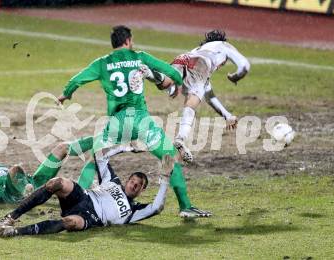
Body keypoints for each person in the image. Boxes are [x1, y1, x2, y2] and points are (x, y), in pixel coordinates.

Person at [47, 25, 211, 218]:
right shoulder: (139, 57)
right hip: (141, 120)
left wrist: (65, 95)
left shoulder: (102, 63)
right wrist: (169, 84)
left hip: (116, 123)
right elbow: (173, 74)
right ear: (128, 40)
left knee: (95, 159)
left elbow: (77, 80)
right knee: (169, 157)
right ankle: (185, 206)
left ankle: (77, 203)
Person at [0, 145, 174, 237]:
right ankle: (10, 217)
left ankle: (15, 232)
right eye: (132, 181)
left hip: (92, 217)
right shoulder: (113, 181)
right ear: (127, 180)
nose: (133, 185)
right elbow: (100, 154)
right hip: (83, 196)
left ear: (142, 190)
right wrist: (126, 148)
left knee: (69, 222)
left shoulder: (135, 211)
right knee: (57, 183)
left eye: (138, 185)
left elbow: (157, 207)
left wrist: (165, 179)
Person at [145, 30, 251, 163]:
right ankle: (180, 139)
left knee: (164, 83)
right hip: (200, 64)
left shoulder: (199, 50)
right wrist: (236, 76)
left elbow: (209, 95)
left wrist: (227, 115)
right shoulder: (223, 45)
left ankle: (147, 72)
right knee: (192, 101)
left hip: (184, 58)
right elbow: (245, 66)